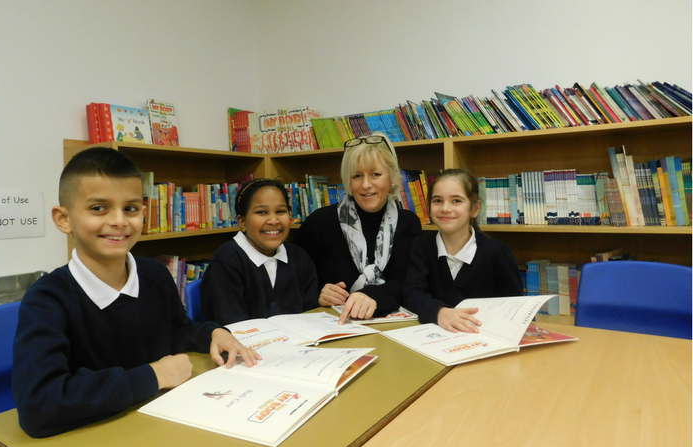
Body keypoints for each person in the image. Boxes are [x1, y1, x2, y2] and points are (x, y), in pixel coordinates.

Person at [12, 147, 260, 438]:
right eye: (98, 208)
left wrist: (212, 334)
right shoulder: (47, 299)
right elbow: (38, 405)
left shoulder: (153, 274)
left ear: (144, 212)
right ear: (63, 218)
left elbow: (177, 331)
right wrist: (154, 375)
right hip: (90, 441)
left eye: (130, 208)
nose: (119, 221)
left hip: (155, 422)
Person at [294, 132, 422, 324]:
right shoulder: (319, 222)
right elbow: (293, 281)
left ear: (392, 177)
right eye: (357, 176)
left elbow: (408, 284)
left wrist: (372, 295)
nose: (366, 185)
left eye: (376, 174)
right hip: (332, 327)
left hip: (395, 328)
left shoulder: (408, 223)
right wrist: (317, 292)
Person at [403, 168, 523, 333]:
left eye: (456, 201)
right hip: (433, 338)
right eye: (437, 200)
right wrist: (439, 312)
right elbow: (412, 294)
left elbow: (514, 308)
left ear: (475, 208)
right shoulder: (421, 247)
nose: (445, 208)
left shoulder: (497, 253)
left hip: (483, 337)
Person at [199, 178, 319, 326]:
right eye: (262, 212)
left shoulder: (299, 257)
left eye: (281, 211)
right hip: (245, 346)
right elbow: (231, 324)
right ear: (242, 222)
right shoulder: (227, 261)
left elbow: (311, 314)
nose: (274, 220)